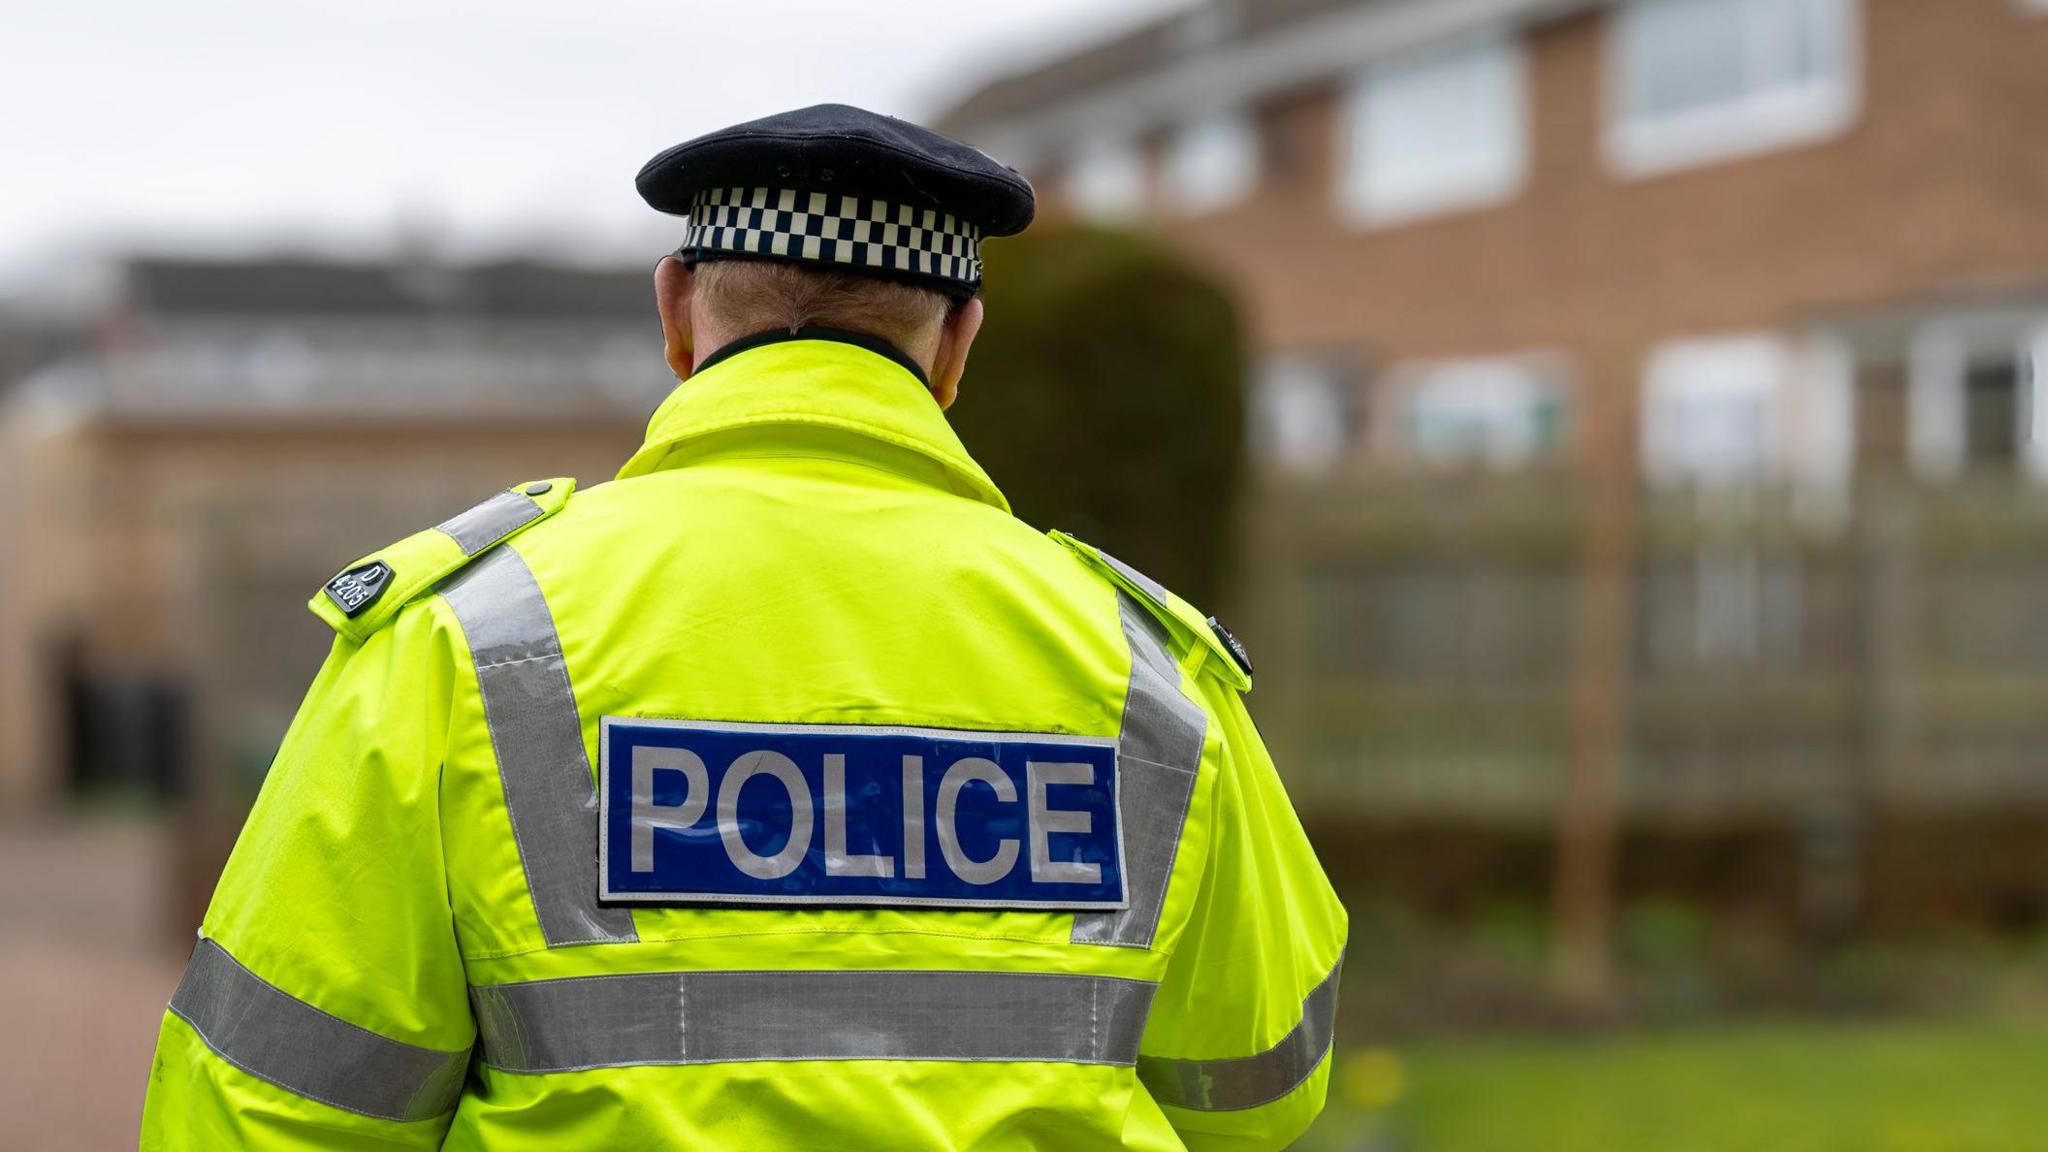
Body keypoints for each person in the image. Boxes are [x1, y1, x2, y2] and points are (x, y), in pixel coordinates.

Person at [139, 104, 1346, 1151]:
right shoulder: (1148, 670)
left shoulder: (465, 641)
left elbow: (264, 1107)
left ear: (676, 307)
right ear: (958, 344)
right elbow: (1258, 1091)